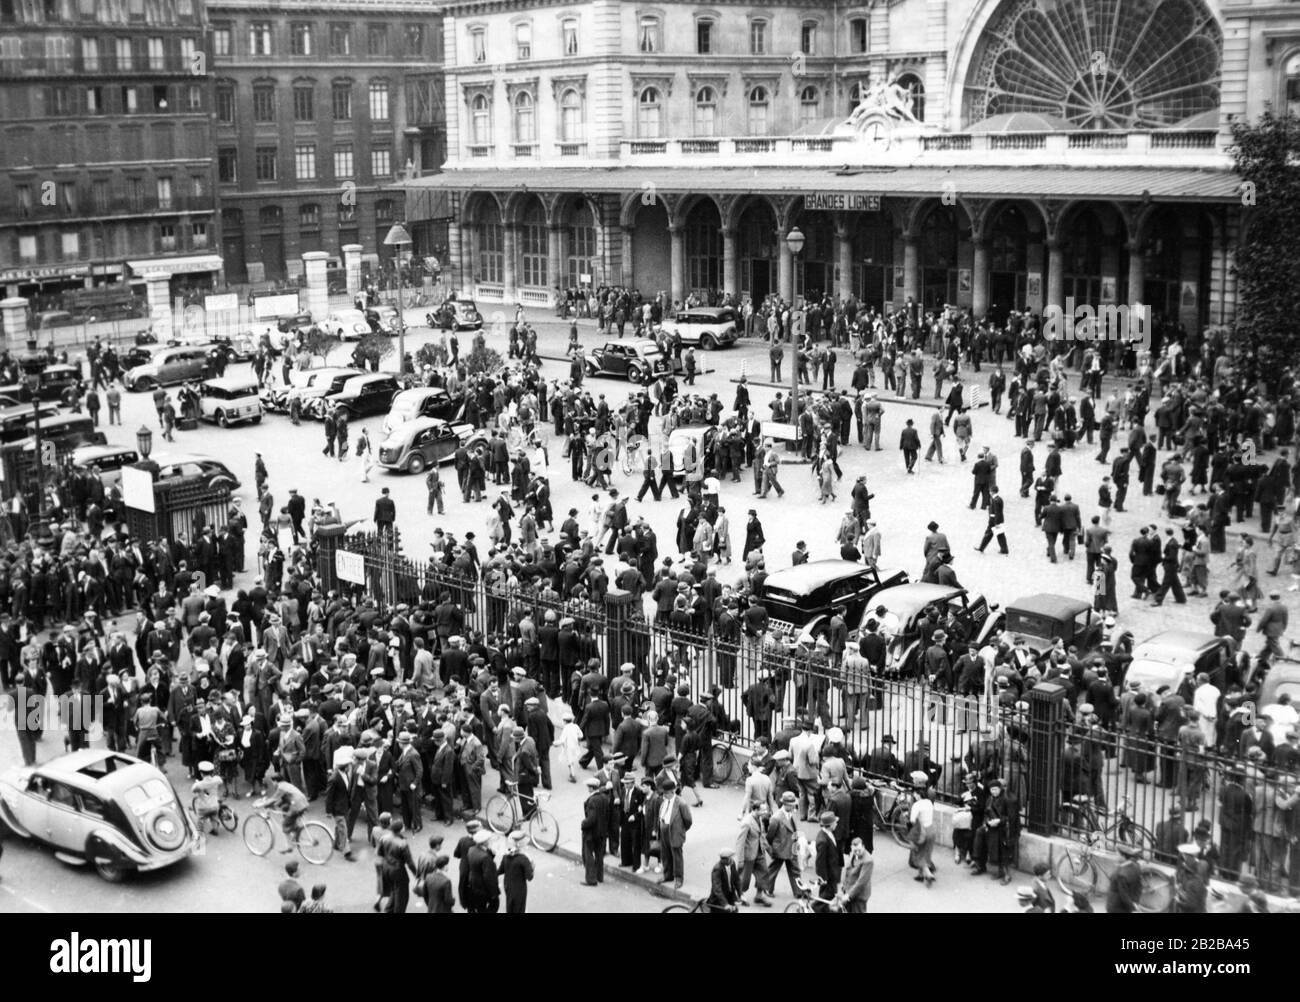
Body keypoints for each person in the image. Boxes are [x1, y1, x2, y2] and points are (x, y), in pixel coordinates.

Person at [656, 776, 693, 890]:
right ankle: (668, 875)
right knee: (665, 854)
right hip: (664, 830)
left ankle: (678, 878)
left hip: (675, 831)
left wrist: (680, 830)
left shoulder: (681, 803)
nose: (664, 795)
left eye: (666, 793)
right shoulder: (664, 801)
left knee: (676, 856)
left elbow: (688, 821)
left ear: (672, 791)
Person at [580, 776, 608, 885]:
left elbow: (591, 819)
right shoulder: (604, 798)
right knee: (599, 854)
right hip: (602, 832)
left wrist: (583, 824)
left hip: (591, 833)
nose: (588, 789)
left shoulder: (592, 801)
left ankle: (591, 879)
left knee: (588, 855)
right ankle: (599, 876)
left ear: (591, 788)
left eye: (588, 787)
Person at [499, 829, 535, 912]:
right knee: (519, 908)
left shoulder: (506, 856)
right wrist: (532, 866)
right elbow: (529, 877)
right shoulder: (523, 859)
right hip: (519, 889)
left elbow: (500, 870)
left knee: (510, 906)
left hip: (508, 886)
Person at [1105, 842, 1145, 913]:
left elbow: (1123, 895)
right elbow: (1139, 887)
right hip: (1127, 906)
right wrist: (1135, 903)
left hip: (1116, 907)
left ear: (1123, 856)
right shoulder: (1136, 867)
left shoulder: (1121, 874)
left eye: (1117, 854)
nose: (1115, 856)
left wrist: (1133, 907)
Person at [841, 837, 873, 913]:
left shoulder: (868, 861)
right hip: (849, 891)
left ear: (863, 847)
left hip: (859, 896)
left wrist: (849, 895)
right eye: (855, 850)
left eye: (859, 850)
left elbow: (861, 882)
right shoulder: (853, 853)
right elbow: (847, 869)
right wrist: (844, 886)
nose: (857, 852)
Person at [707, 847, 742, 912]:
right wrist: (725, 904)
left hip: (730, 897)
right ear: (725, 860)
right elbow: (717, 889)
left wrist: (741, 894)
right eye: (730, 858)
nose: (732, 859)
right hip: (718, 900)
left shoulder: (732, 864)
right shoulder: (717, 869)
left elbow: (736, 880)